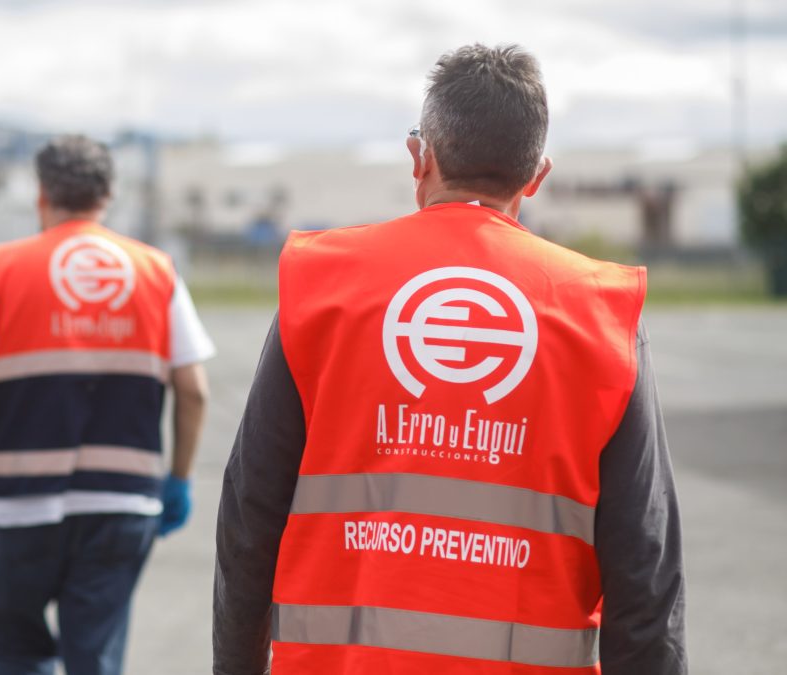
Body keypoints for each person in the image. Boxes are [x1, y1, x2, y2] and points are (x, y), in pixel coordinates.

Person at [213, 44, 686, 674]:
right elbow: (644, 565)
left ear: (421, 156)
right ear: (536, 176)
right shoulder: (599, 311)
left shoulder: (325, 285)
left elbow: (251, 513)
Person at [0, 134, 215, 675]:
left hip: (18, 503)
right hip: (122, 504)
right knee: (94, 654)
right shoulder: (157, 272)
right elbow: (192, 388)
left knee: (16, 649)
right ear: (109, 195)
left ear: (41, 194)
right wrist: (179, 479)